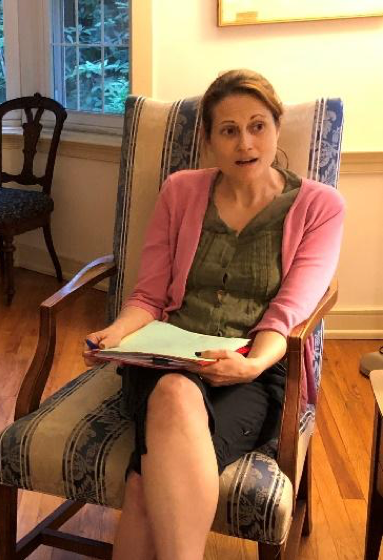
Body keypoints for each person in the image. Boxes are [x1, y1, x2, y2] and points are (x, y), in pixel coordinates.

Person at [83, 69, 345, 560]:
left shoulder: (319, 206)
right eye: (228, 130)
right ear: (208, 139)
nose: (244, 143)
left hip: (256, 368)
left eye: (257, 126)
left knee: (144, 486)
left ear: (276, 126)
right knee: (175, 391)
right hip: (165, 359)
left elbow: (286, 314)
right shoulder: (180, 191)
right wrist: (114, 334)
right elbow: (148, 297)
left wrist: (251, 364)